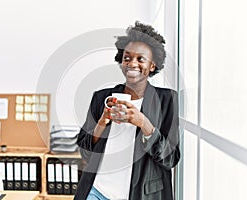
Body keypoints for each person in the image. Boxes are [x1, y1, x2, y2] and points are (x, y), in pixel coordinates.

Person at [74, 21, 180, 200]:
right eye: (127, 58)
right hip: (97, 190)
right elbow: (84, 149)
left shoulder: (167, 100)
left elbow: (170, 158)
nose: (132, 64)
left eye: (141, 59)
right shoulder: (102, 98)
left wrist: (143, 123)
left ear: (152, 65)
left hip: (140, 195)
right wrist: (102, 122)